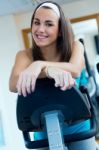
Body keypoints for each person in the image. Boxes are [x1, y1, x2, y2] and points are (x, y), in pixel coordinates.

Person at [9, 1, 96, 149]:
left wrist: (40, 65)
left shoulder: (75, 46)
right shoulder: (25, 55)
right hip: (42, 129)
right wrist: (49, 71)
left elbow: (74, 69)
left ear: (60, 30)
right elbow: (13, 84)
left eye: (49, 24)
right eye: (36, 23)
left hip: (79, 126)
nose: (40, 29)